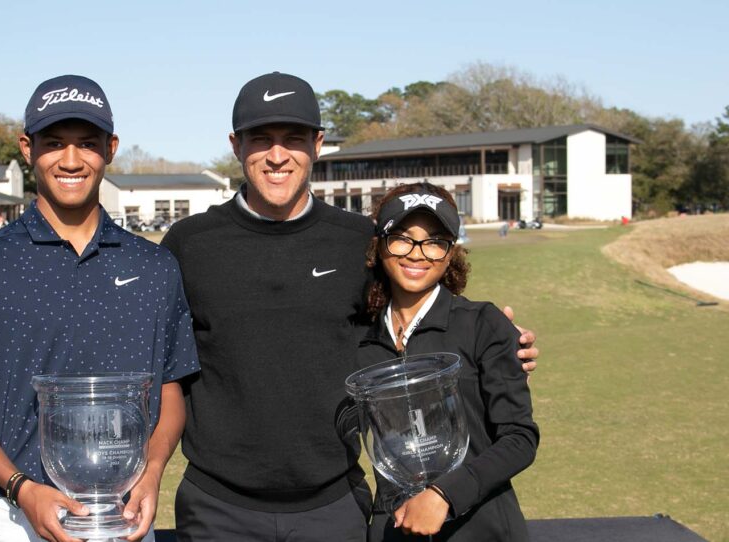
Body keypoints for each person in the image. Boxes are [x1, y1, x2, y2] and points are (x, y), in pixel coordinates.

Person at [161, 72, 538, 541]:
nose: (277, 156)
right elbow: (157, 359)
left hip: (333, 504)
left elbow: (423, 303)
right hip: (218, 506)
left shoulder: (360, 241)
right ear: (236, 145)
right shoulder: (188, 243)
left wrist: (501, 342)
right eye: (262, 139)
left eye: (293, 139)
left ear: (318, 144)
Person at [0, 74, 199, 542]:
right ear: (26, 148)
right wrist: (22, 490)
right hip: (16, 517)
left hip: (127, 515)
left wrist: (152, 471)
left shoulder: (154, 265)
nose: (71, 161)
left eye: (87, 144)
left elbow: (170, 390)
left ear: (110, 148)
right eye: (54, 143)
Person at [358, 182, 538, 541]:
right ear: (380, 244)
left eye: (435, 241)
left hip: (482, 529)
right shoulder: (360, 340)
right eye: (402, 238)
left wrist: (445, 495)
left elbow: (519, 438)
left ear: (450, 251)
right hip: (394, 529)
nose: (417, 254)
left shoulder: (483, 324)